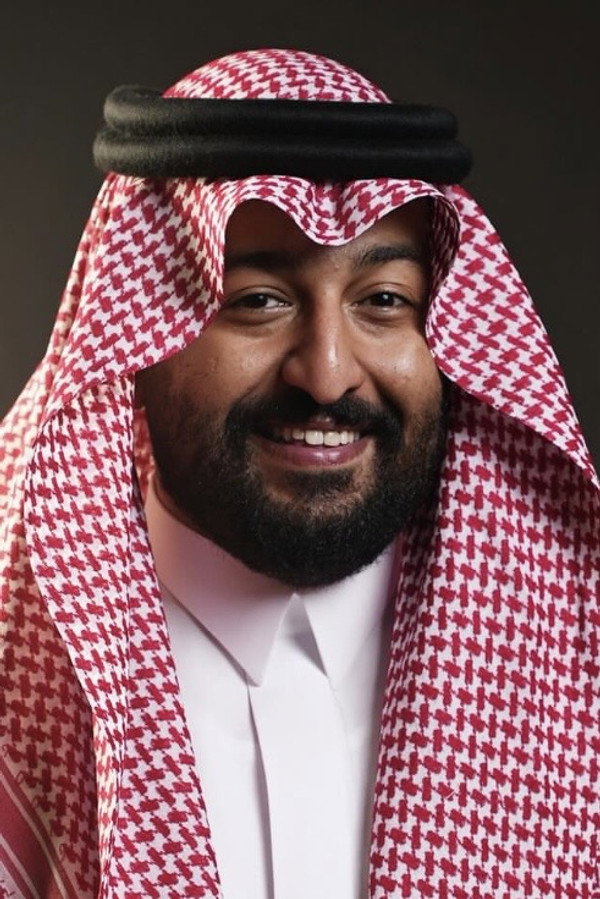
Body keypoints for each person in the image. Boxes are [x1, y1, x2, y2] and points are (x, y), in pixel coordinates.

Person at [0, 49, 598, 899]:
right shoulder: (22, 687)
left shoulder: (574, 676)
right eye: (258, 301)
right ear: (142, 338)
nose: (326, 373)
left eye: (383, 300)